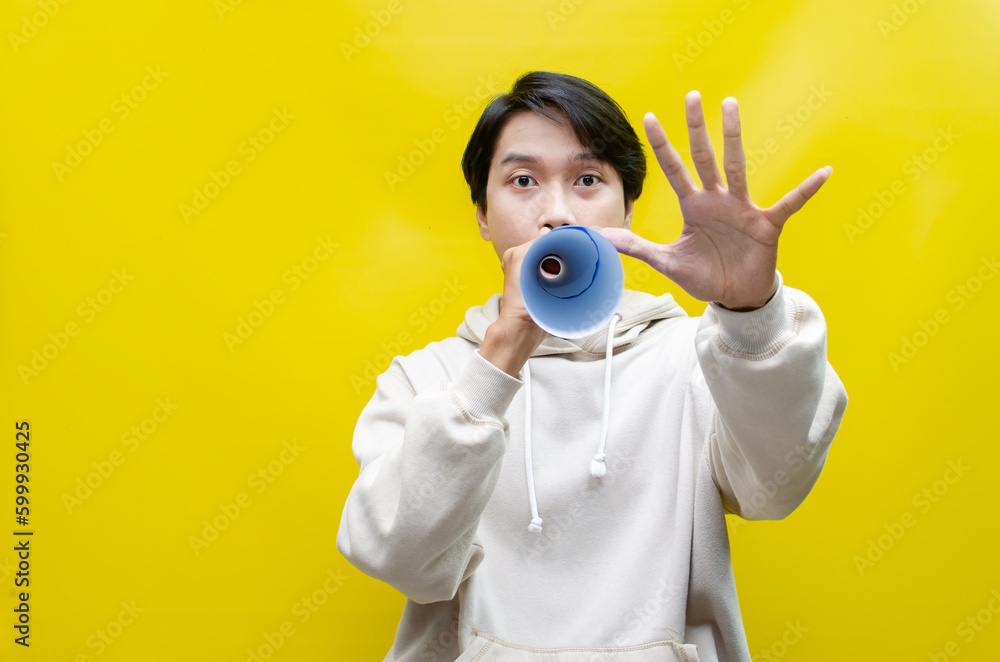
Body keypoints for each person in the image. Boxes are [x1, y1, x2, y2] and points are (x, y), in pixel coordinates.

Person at [337, 71, 848, 662]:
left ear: (627, 210)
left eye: (587, 180)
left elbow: (776, 489)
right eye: (522, 180)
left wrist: (751, 311)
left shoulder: (701, 356)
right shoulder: (426, 380)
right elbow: (402, 559)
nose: (557, 213)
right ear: (482, 214)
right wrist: (499, 359)